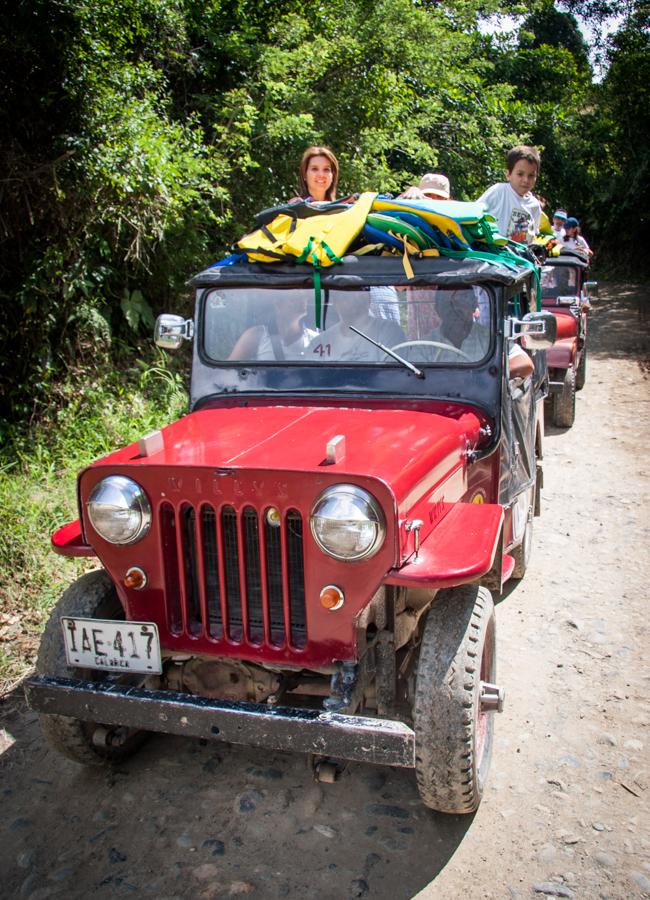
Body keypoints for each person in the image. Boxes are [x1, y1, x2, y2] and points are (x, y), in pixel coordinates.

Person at [308, 290, 405, 362]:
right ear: (335, 303)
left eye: (359, 294)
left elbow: (392, 377)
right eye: (344, 296)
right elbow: (312, 379)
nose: (354, 299)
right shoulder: (320, 342)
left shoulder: (389, 332)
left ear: (368, 298)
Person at [477, 145, 542, 244]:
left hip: (518, 256)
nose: (526, 180)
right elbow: (474, 214)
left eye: (531, 175)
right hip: (494, 253)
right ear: (508, 174)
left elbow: (532, 236)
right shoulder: (498, 191)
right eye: (520, 174)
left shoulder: (534, 205)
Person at [229, 291, 317, 361]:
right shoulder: (255, 335)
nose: (303, 300)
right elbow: (229, 371)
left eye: (304, 296)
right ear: (278, 304)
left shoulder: (316, 339)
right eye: (294, 297)